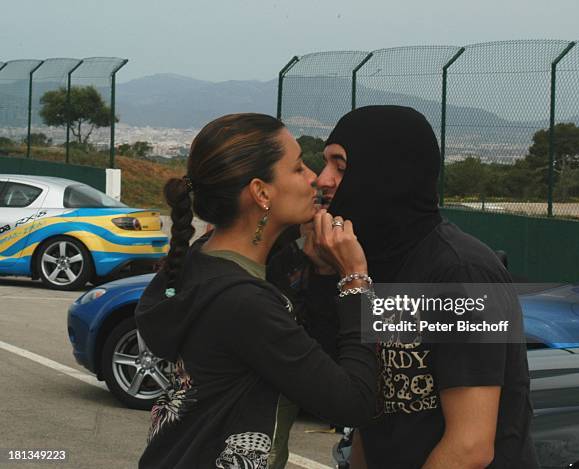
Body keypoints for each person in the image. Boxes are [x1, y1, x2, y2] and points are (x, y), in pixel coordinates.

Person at [273, 105, 538, 468]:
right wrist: (325, 273)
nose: (322, 179)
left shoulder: (460, 273)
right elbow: (371, 412)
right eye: (326, 163)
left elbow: (470, 446)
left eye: (341, 166)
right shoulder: (370, 262)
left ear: (386, 174)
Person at [134, 113, 379, 469]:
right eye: (298, 169)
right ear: (261, 192)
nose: (315, 178)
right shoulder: (242, 302)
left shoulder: (201, 261)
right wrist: (355, 279)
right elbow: (353, 402)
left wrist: (315, 266)